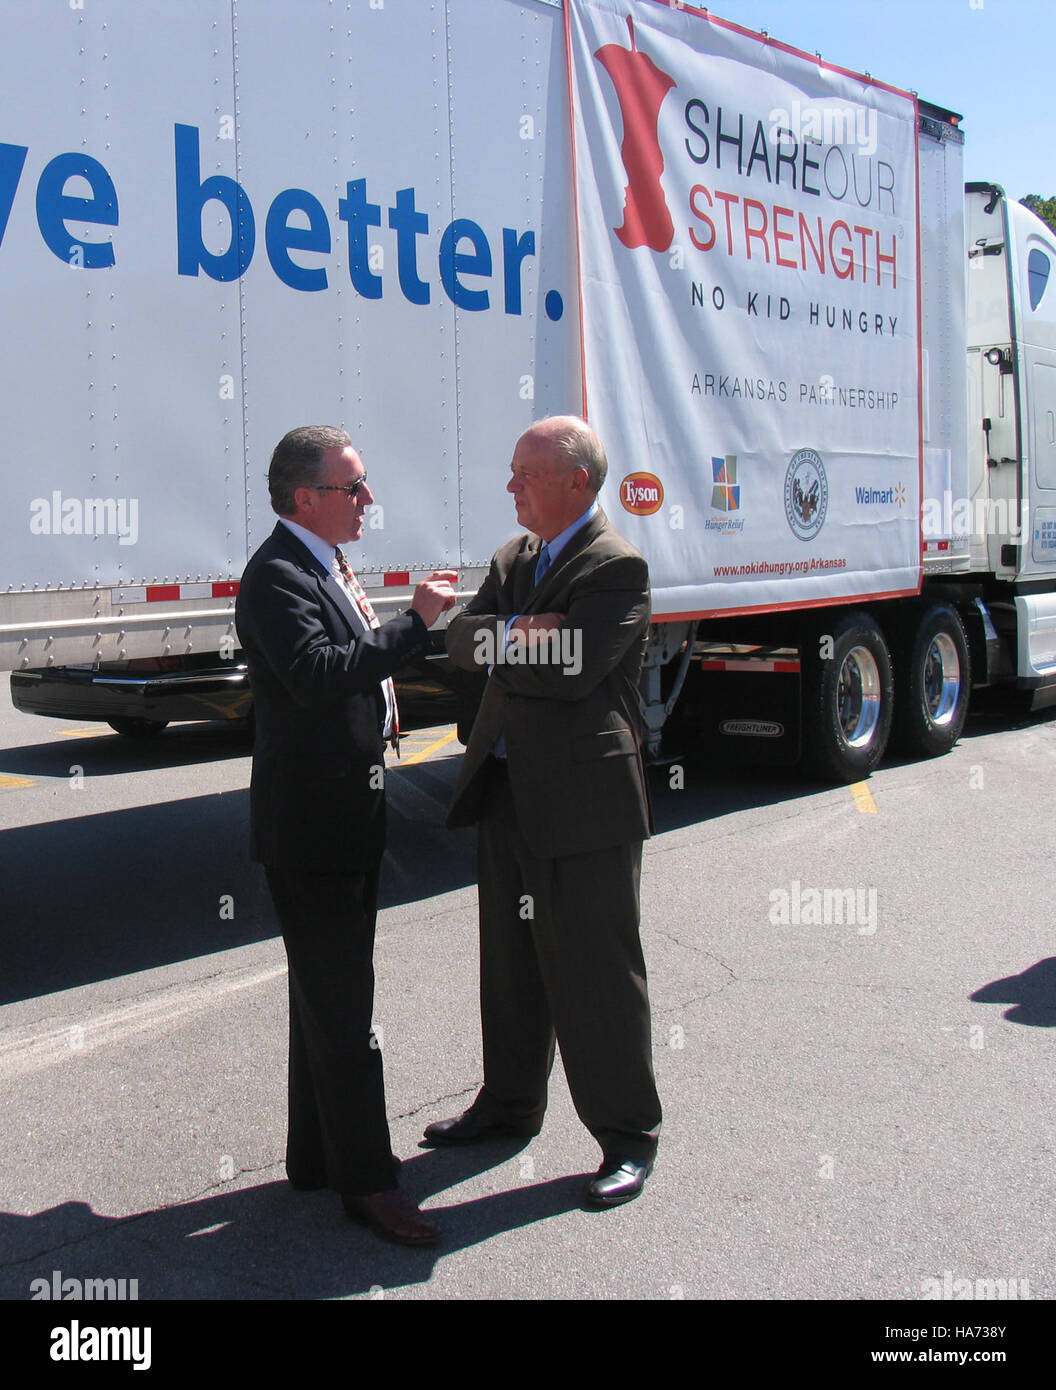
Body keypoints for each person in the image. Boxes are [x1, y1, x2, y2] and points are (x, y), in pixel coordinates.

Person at [424, 415, 661, 1206]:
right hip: (506, 795)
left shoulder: (616, 566)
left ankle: (627, 1136)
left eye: (527, 472)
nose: (511, 485)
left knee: (596, 973)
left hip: (584, 805)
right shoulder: (512, 558)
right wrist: (523, 632)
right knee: (512, 968)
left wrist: (513, 642)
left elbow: (573, 668)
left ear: (578, 483)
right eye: (513, 470)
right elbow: (459, 643)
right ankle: (510, 1104)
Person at [236, 425, 457, 1246]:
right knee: (345, 1008)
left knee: (322, 998)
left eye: (363, 485)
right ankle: (369, 1182)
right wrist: (415, 624)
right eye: (353, 487)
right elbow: (322, 674)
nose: (367, 501)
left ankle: (315, 1156)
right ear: (306, 499)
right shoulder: (277, 577)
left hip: (344, 812)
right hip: (313, 825)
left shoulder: (318, 562)